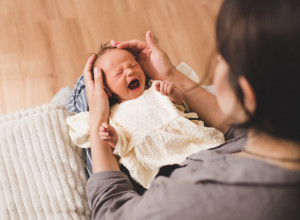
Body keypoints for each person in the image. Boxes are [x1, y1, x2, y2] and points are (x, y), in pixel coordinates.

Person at [84, 0, 300, 219]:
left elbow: (110, 211)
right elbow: (244, 135)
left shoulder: (186, 200)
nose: (129, 72)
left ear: (247, 93)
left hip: (164, 166)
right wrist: (170, 75)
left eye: (223, 57)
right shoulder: (277, 144)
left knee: (81, 89)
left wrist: (96, 119)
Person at [67, 45, 224, 189]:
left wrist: (172, 92)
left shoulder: (156, 88)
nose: (130, 72)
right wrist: (113, 137)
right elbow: (122, 146)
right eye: (119, 73)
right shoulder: (112, 114)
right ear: (106, 90)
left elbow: (182, 105)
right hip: (156, 161)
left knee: (212, 159)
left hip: (189, 144)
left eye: (133, 65)